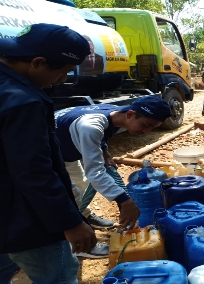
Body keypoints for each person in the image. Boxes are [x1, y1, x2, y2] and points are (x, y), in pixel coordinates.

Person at [0, 23, 96, 283]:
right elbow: (34, 170)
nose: (62, 80)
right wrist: (71, 222)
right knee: (59, 276)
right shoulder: (23, 101)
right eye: (63, 72)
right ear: (38, 62)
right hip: (23, 217)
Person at [54, 96, 172, 257]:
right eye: (146, 125)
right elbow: (95, 172)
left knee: (81, 184)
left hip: (64, 149)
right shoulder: (91, 126)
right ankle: (80, 244)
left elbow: (101, 135)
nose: (146, 132)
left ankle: (85, 215)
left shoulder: (116, 114)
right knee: (67, 195)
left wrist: (104, 151)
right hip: (43, 154)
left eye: (152, 128)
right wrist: (124, 201)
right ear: (130, 114)